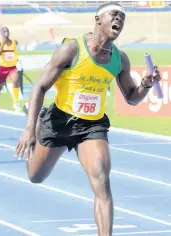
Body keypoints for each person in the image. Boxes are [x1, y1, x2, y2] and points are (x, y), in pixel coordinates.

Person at [15, 3, 161, 235]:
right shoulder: (72, 49)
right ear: (98, 19)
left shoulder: (120, 59)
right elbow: (40, 87)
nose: (119, 20)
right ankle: (39, 133)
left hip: (91, 125)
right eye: (114, 15)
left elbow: (132, 98)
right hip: (58, 121)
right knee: (35, 176)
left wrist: (145, 84)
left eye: (123, 17)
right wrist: (29, 129)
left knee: (102, 182)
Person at [0, 26, 20, 112]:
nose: (6, 34)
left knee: (15, 80)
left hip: (12, 67)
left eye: (7, 32)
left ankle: (16, 103)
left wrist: (16, 58)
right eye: (4, 32)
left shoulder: (14, 42)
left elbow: (15, 49)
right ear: (1, 34)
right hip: (3, 67)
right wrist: (3, 44)